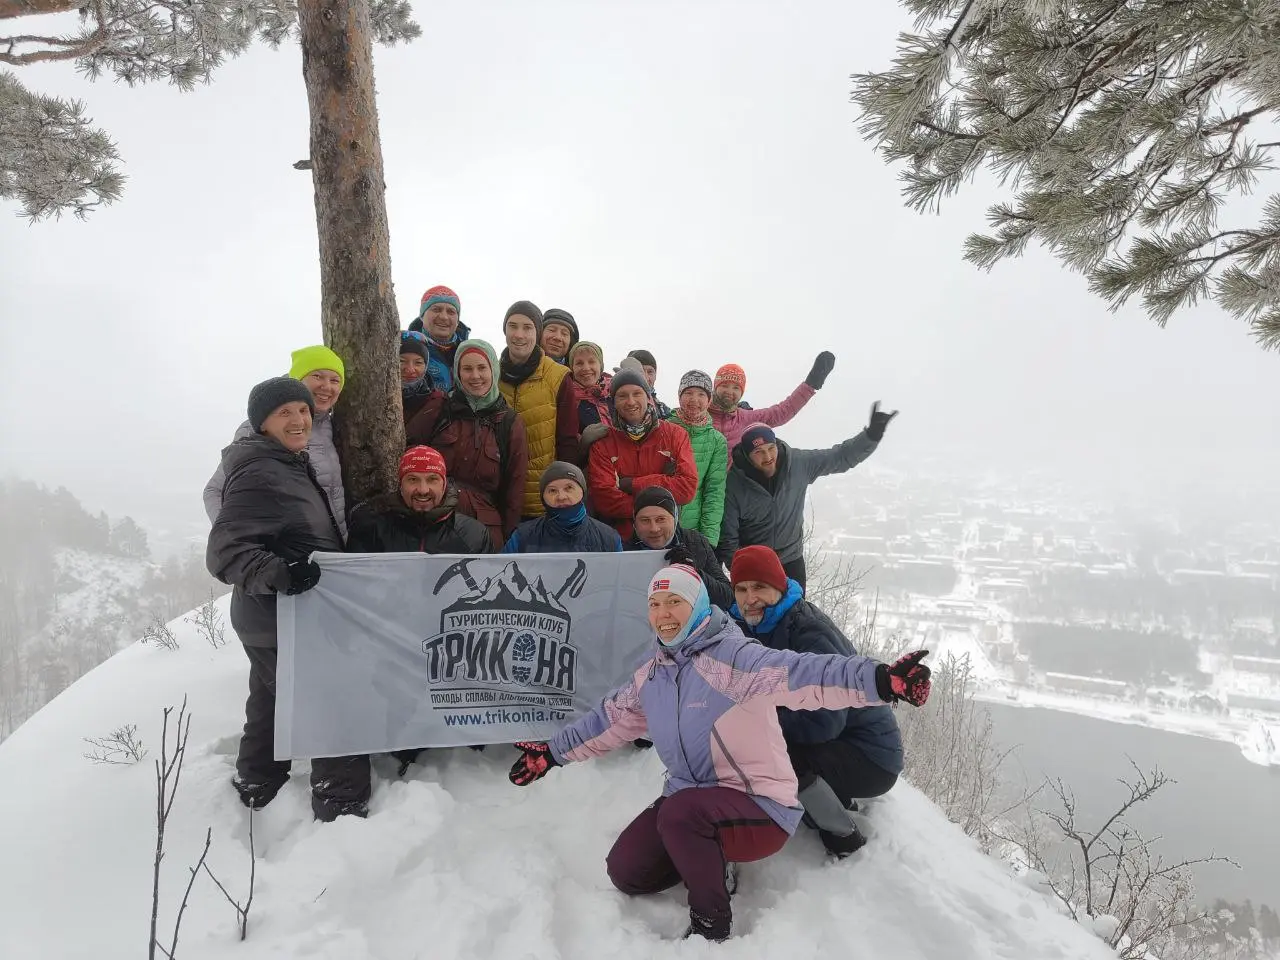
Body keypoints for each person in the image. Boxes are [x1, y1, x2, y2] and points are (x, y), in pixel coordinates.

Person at [507, 564, 932, 942]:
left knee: (680, 813)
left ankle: (712, 924)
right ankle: (708, 857)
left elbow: (806, 673)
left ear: (695, 607)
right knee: (628, 872)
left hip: (759, 806)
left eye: (674, 601)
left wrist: (881, 680)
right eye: (655, 604)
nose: (663, 613)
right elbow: (608, 718)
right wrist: (551, 753)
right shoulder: (653, 673)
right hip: (695, 801)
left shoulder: (735, 658)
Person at [206, 377, 367, 822]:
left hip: (271, 616)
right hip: (280, 614)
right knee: (331, 701)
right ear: (262, 423)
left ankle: (258, 780)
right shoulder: (262, 471)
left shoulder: (285, 462)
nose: (298, 420)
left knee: (271, 698)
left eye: (302, 410)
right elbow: (225, 550)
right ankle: (341, 806)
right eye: (285, 413)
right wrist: (282, 573)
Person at [729, 545, 902, 858]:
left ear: (779, 588)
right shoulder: (760, 623)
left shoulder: (809, 633)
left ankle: (843, 836)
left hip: (872, 757)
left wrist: (760, 718)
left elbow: (824, 722)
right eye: (741, 589)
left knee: (776, 754)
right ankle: (833, 793)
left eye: (759, 587)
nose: (749, 597)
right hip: (844, 743)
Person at [717, 405, 897, 588]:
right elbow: (728, 539)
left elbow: (839, 457)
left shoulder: (797, 464)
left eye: (771, 448)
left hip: (791, 561)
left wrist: (871, 436)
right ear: (748, 456)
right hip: (755, 565)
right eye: (759, 452)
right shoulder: (733, 485)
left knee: (797, 615)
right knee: (759, 616)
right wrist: (742, 570)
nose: (768, 456)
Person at [203, 345, 349, 538]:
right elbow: (215, 490)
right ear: (298, 379)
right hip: (289, 556)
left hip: (334, 551)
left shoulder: (337, 427)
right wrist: (242, 543)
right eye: (317, 376)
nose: (327, 386)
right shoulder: (260, 426)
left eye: (335, 380)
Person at [404, 339, 529, 549]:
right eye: (467, 368)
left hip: (485, 529)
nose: (475, 376)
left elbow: (514, 488)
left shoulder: (509, 422)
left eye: (482, 368)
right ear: (458, 373)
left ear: (493, 370)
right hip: (433, 523)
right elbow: (407, 453)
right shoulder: (439, 408)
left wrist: (507, 537)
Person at [587, 367, 697, 540]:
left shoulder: (675, 435)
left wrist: (631, 484)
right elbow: (604, 499)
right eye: (622, 396)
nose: (630, 402)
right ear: (613, 402)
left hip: (666, 536)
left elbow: (686, 488)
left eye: (637, 393)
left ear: (648, 397)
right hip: (620, 538)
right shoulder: (603, 442)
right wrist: (660, 499)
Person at [346, 446, 494, 554]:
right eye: (413, 479)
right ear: (401, 485)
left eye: (432, 480)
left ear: (444, 486)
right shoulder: (372, 531)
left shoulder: (473, 535)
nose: (423, 490)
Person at [497, 301, 571, 519]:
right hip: (501, 496)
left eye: (527, 327)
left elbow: (566, 441)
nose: (519, 334)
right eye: (513, 326)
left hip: (545, 499)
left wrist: (563, 492)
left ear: (537, 332)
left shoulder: (558, 376)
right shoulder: (490, 374)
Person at [625, 485, 731, 609]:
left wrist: (695, 573)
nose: (654, 528)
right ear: (635, 524)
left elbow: (727, 597)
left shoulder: (695, 542)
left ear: (675, 520)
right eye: (645, 520)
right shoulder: (624, 552)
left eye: (661, 519)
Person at [709, 352, 835, 449]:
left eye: (736, 387)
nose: (730, 392)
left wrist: (811, 384)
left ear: (741, 392)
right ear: (715, 387)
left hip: (732, 481)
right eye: (725, 385)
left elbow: (781, 412)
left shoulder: (746, 418)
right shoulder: (698, 413)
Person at [502, 461, 621, 553]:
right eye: (552, 491)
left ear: (582, 491)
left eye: (569, 488)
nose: (561, 497)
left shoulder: (608, 538)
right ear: (543, 498)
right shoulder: (522, 537)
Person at [666, 369, 727, 546]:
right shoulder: (664, 429)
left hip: (694, 530)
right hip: (660, 524)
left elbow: (714, 491)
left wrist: (707, 539)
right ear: (680, 397)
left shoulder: (717, 441)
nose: (694, 400)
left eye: (701, 394)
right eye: (689, 393)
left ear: (709, 400)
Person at [554, 341, 613, 465]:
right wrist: (583, 444)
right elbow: (565, 447)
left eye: (591, 362)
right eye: (579, 363)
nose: (586, 368)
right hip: (589, 471)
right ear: (572, 368)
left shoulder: (617, 394)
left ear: (600, 366)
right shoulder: (568, 401)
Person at [406, 285, 469, 391]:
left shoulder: (469, 352)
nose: (444, 317)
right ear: (422, 316)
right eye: (436, 309)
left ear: (458, 320)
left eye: (451, 312)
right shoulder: (404, 349)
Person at [399, 331, 439, 423]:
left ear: (426, 365)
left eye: (418, 363)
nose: (410, 369)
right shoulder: (374, 396)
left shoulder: (437, 402)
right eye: (402, 361)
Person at [626, 348, 671, 417]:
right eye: (640, 371)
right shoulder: (614, 404)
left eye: (650, 372)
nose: (645, 377)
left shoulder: (664, 411)